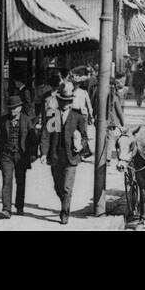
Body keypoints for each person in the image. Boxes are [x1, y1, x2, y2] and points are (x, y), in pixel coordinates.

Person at [47, 81, 89, 224]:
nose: (65, 104)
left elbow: (84, 136)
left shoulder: (77, 116)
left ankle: (65, 213)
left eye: (67, 101)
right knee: (58, 187)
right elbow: (47, 134)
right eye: (62, 101)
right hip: (56, 156)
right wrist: (43, 152)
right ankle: (63, 201)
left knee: (66, 188)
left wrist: (81, 146)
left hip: (71, 157)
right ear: (58, 100)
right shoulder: (54, 114)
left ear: (71, 102)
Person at [0, 94, 38, 217]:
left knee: (20, 181)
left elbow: (33, 139)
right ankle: (6, 209)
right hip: (6, 155)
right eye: (11, 108)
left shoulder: (27, 121)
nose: (13, 110)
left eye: (15, 108)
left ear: (20, 107)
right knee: (7, 180)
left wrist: (33, 154)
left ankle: (19, 206)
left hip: (21, 155)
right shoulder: (3, 120)